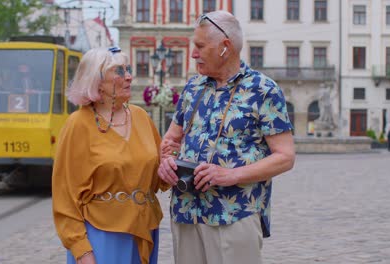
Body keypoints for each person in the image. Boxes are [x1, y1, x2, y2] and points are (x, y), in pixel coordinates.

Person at [158, 11, 296, 264]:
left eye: (200, 46)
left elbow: (285, 157)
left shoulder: (263, 90)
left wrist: (229, 175)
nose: (193, 54)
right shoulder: (192, 87)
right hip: (186, 213)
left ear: (225, 47)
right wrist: (166, 161)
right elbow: (170, 141)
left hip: (234, 215)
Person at [52, 47, 168, 264]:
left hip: (144, 229)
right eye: (119, 71)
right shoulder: (78, 124)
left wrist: (173, 166)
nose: (129, 76)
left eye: (128, 69)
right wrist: (82, 251)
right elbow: (65, 196)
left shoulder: (141, 117)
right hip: (101, 234)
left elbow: (160, 176)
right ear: (96, 81)